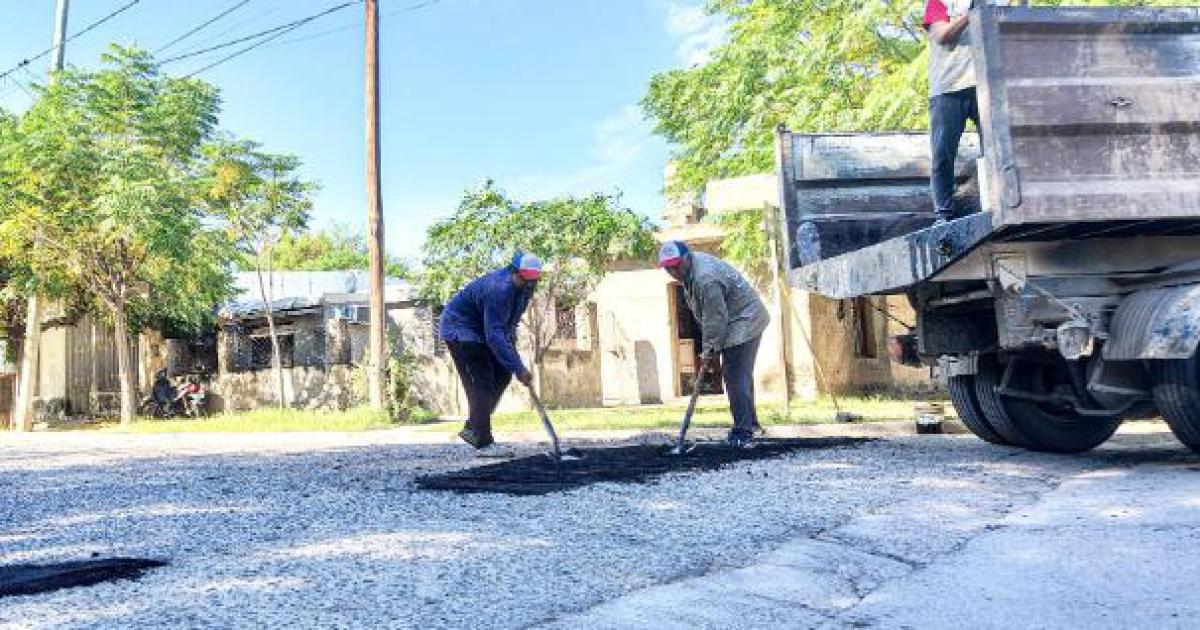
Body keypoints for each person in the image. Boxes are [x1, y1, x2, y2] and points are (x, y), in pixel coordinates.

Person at [658, 240, 770, 447]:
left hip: (745, 319)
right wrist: (711, 349)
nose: (673, 271)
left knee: (734, 374)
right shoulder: (690, 272)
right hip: (735, 318)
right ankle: (751, 424)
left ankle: (743, 431)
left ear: (687, 258)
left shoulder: (705, 278)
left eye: (676, 265)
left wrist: (709, 350)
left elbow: (715, 318)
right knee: (740, 375)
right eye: (668, 267)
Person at [439, 252, 541, 455]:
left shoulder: (523, 291)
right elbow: (494, 334)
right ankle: (483, 441)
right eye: (525, 279)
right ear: (513, 272)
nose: (529, 284)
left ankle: (474, 427)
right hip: (461, 330)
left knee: (503, 373)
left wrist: (514, 364)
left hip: (483, 331)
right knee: (481, 382)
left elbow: (508, 327)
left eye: (533, 280)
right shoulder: (499, 288)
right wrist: (520, 368)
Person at [925, 0, 979, 223]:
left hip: (985, 84)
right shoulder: (940, 2)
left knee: (997, 148)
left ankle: (999, 199)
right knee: (942, 155)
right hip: (948, 87)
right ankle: (943, 213)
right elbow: (941, 35)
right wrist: (973, 14)